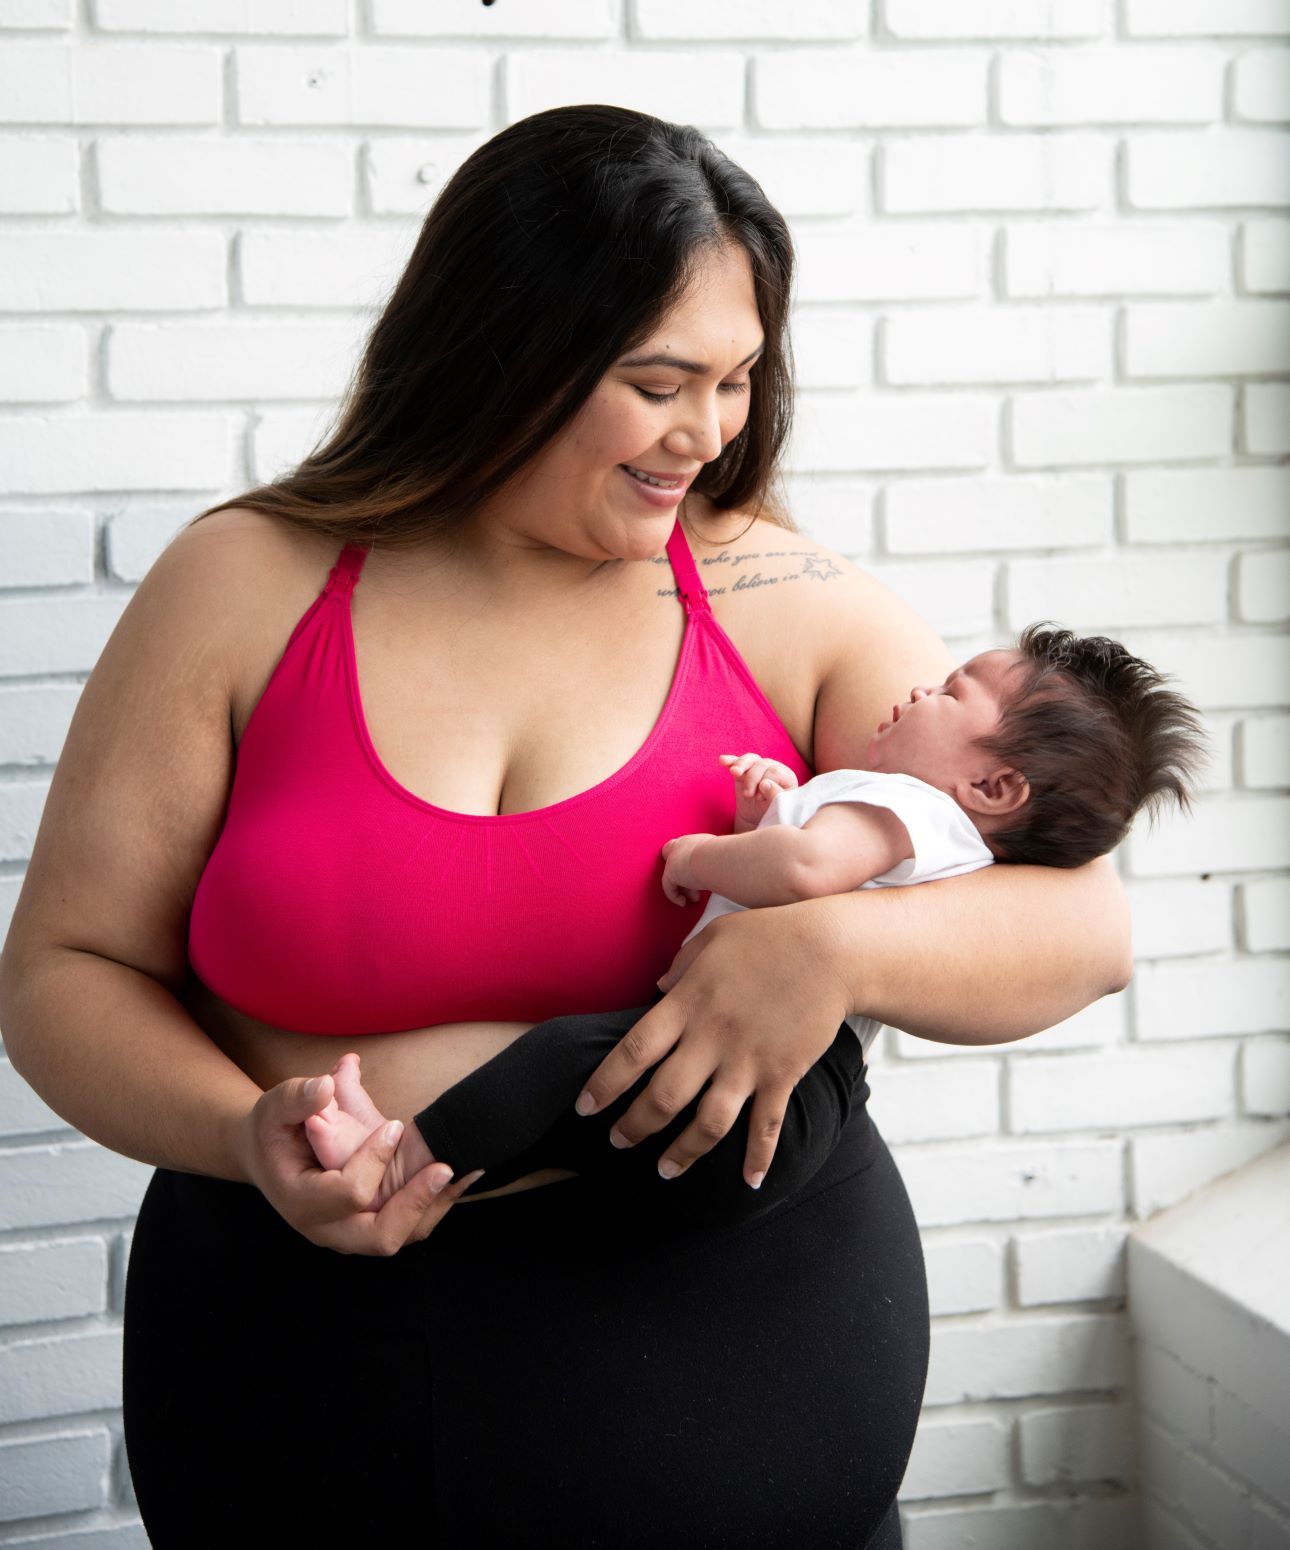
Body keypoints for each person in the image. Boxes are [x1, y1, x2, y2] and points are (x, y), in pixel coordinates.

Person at [0, 106, 1134, 1549]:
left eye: (735, 380)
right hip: (291, 1361)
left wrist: (829, 953)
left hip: (733, 1370)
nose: (706, 434)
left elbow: (1084, 926)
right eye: (658, 382)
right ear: (504, 346)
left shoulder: (779, 596)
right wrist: (240, 1131)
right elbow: (65, 971)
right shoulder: (244, 582)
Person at [306, 625, 1203, 1228]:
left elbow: (805, 871)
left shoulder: (908, 807)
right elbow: (799, 878)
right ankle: (432, 1171)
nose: (918, 688)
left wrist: (702, 855)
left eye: (950, 691)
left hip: (777, 1076)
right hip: (789, 1097)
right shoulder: (924, 832)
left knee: (560, 1064)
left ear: (994, 786)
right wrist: (767, 816)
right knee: (570, 1115)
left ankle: (396, 1164)